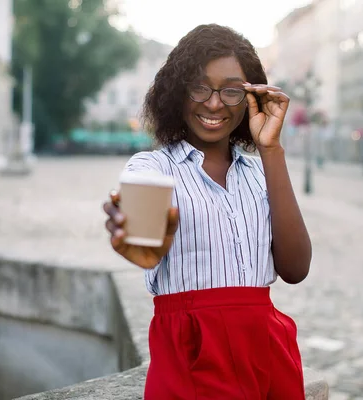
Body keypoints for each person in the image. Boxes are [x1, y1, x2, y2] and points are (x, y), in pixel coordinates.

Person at [103, 24, 312, 399]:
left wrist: (271, 149)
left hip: (268, 352)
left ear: (251, 97)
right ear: (178, 93)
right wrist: (132, 228)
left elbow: (295, 269)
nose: (215, 103)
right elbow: (142, 235)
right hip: (190, 354)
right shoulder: (152, 167)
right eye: (199, 87)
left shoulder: (261, 175)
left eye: (231, 90)